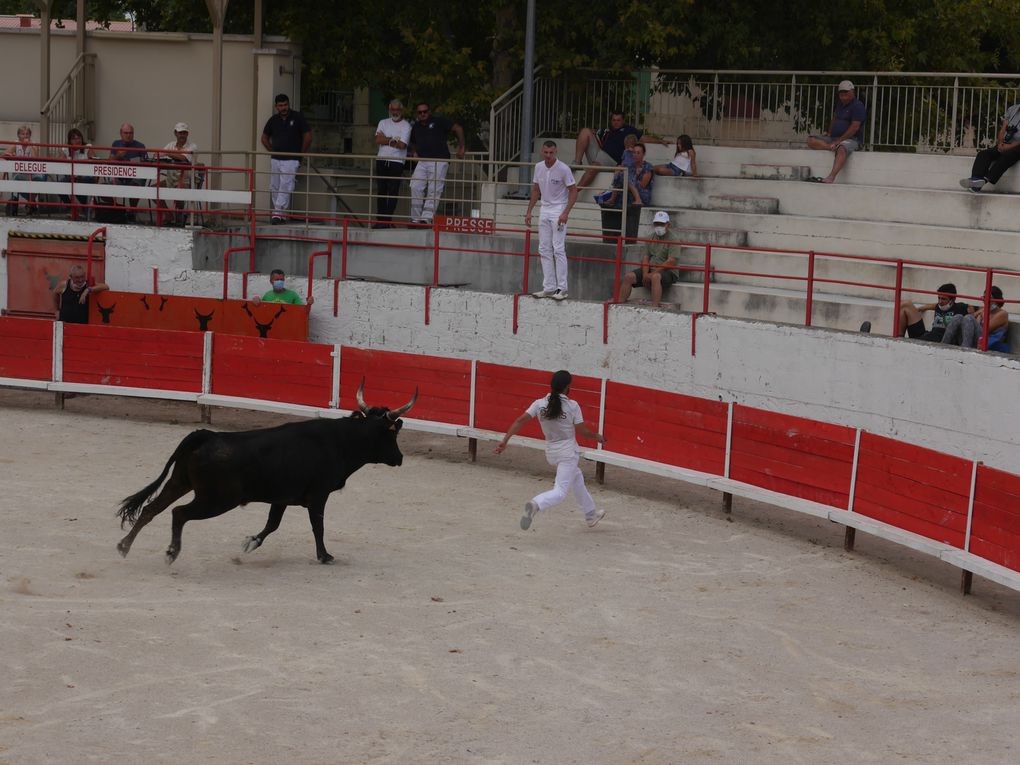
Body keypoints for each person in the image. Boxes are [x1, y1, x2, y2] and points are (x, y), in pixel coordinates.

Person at [493, 369, 607, 530]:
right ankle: (536, 504)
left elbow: (520, 420)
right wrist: (598, 437)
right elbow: (583, 432)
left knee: (577, 478)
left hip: (552, 453)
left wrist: (505, 440)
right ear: (567, 387)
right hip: (567, 453)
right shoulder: (572, 406)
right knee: (560, 492)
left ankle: (590, 514)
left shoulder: (540, 404)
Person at [525, 140, 578, 301]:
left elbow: (574, 191)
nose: (548, 156)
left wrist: (565, 212)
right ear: (542, 152)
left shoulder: (563, 168)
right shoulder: (539, 167)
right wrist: (529, 211)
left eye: (551, 153)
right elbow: (535, 190)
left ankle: (562, 288)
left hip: (558, 209)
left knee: (558, 248)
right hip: (544, 208)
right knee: (544, 248)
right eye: (546, 153)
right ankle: (548, 286)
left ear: (555, 152)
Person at [573, 110, 668, 189]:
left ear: (623, 121)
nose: (615, 122)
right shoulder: (607, 130)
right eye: (614, 120)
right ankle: (576, 163)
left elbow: (643, 138)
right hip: (599, 153)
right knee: (585, 131)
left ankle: (574, 192)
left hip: (611, 161)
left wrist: (660, 141)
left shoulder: (628, 130)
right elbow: (593, 135)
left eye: (618, 120)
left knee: (594, 167)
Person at [407, 102, 465, 225]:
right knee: (415, 186)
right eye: (420, 112)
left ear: (429, 111)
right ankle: (415, 219)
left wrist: (462, 147)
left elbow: (458, 128)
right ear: (417, 114)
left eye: (425, 111)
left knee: (434, 189)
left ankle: (426, 219)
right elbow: (412, 142)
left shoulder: (439, 121)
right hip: (423, 161)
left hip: (439, 160)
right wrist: (414, 152)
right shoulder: (416, 126)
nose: (423, 114)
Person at [261, 93, 313, 224]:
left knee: (285, 186)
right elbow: (264, 138)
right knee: (275, 187)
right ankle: (281, 216)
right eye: (280, 105)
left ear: (288, 104)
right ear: (276, 106)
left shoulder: (298, 117)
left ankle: (276, 214)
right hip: (276, 159)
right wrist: (272, 150)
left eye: (285, 105)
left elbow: (308, 136)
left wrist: (300, 154)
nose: (283, 108)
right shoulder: (273, 120)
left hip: (291, 159)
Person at [615, 210, 681, 307]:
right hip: (651, 269)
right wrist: (646, 274)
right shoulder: (650, 237)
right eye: (657, 223)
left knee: (655, 277)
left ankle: (654, 308)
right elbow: (645, 257)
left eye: (662, 224)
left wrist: (652, 274)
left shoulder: (674, 239)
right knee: (629, 276)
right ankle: (619, 305)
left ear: (668, 224)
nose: (659, 226)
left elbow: (671, 262)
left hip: (669, 272)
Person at [806, 80, 866, 184]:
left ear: (852, 92)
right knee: (811, 140)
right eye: (841, 94)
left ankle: (831, 177)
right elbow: (835, 119)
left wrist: (840, 140)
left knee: (842, 148)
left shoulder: (858, 106)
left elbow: (854, 127)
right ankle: (830, 147)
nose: (843, 96)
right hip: (834, 138)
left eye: (846, 93)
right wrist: (829, 133)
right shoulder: (840, 105)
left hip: (852, 139)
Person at [959, 103, 1020, 192]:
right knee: (984, 154)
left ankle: (984, 180)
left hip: (1017, 146)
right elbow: (1003, 129)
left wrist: (1010, 146)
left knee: (1006, 156)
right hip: (1005, 143)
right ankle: (975, 180)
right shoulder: (1013, 109)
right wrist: (1000, 143)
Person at [373, 99, 412, 228]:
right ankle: (381, 221)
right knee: (381, 191)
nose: (395, 112)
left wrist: (386, 139)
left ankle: (387, 221)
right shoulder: (383, 122)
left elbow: (402, 145)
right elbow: (378, 140)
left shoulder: (406, 125)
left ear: (401, 110)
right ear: (389, 110)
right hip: (382, 160)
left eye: (397, 110)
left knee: (393, 191)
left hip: (397, 162)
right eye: (393, 110)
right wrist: (393, 139)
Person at [941, 286, 1010, 351]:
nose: (986, 300)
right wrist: (980, 312)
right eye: (984, 297)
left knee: (969, 318)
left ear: (997, 299)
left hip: (988, 344)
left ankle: (965, 349)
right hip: (974, 341)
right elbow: (973, 324)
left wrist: (982, 313)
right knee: (958, 317)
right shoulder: (983, 311)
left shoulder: (1003, 314)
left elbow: (985, 330)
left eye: (989, 298)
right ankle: (942, 345)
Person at [157, 122, 199, 225]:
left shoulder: (193, 146)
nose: (182, 135)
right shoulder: (170, 145)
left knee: (180, 191)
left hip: (188, 181)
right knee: (152, 190)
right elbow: (158, 155)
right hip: (171, 180)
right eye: (180, 133)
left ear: (187, 134)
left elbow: (184, 158)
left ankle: (179, 217)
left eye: (184, 133)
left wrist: (168, 154)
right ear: (175, 133)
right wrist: (161, 156)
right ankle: (168, 214)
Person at [898, 282, 969, 342]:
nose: (940, 301)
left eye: (943, 299)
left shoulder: (960, 307)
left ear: (953, 299)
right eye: (939, 298)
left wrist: (977, 315)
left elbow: (978, 309)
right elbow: (933, 305)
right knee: (906, 304)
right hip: (927, 336)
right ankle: (898, 341)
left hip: (939, 341)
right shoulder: (938, 306)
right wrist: (921, 308)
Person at [4, 125, 47, 216]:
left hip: (32, 172)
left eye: (27, 134)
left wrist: (30, 145)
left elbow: (36, 158)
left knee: (40, 180)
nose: (25, 136)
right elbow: (6, 153)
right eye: (22, 134)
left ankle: (30, 203)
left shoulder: (34, 144)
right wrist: (11, 155)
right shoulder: (16, 143)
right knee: (17, 181)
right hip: (20, 173)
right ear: (18, 135)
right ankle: (31, 203)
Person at [109, 123, 148, 221]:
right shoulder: (115, 144)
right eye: (126, 133)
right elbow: (109, 162)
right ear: (121, 133)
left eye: (131, 133)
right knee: (105, 187)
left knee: (136, 185)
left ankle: (132, 211)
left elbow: (146, 163)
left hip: (135, 176)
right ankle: (122, 209)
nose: (128, 135)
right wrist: (118, 156)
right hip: (119, 176)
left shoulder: (140, 146)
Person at [60, 127, 97, 217]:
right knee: (61, 184)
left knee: (80, 184)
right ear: (70, 141)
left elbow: (95, 162)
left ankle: (84, 209)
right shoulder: (65, 149)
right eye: (74, 138)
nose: (77, 140)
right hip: (71, 177)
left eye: (79, 138)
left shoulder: (88, 147)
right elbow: (60, 165)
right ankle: (71, 208)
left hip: (86, 177)